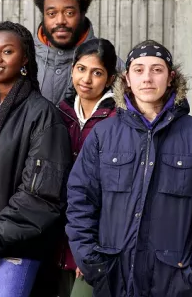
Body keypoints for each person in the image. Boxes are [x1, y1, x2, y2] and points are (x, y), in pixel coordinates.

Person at [66, 40, 192, 296]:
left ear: (170, 77)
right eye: (139, 70)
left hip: (172, 280)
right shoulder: (103, 135)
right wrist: (92, 263)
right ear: (127, 79)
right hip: (111, 276)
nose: (147, 78)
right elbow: (80, 201)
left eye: (157, 69)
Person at [0, 21, 72, 297]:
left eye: (7, 51)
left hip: (17, 249)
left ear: (25, 58)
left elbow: (43, 193)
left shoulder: (42, 114)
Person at [56, 38, 118, 297]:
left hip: (93, 241)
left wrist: (89, 250)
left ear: (111, 78)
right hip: (56, 238)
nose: (86, 79)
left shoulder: (118, 119)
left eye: (97, 72)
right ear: (72, 69)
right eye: (81, 69)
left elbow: (115, 192)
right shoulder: (59, 113)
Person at [33, 0, 124, 105]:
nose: (60, 21)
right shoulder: (23, 59)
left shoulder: (111, 63)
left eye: (69, 13)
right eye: (52, 13)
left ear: (82, 13)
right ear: (43, 15)